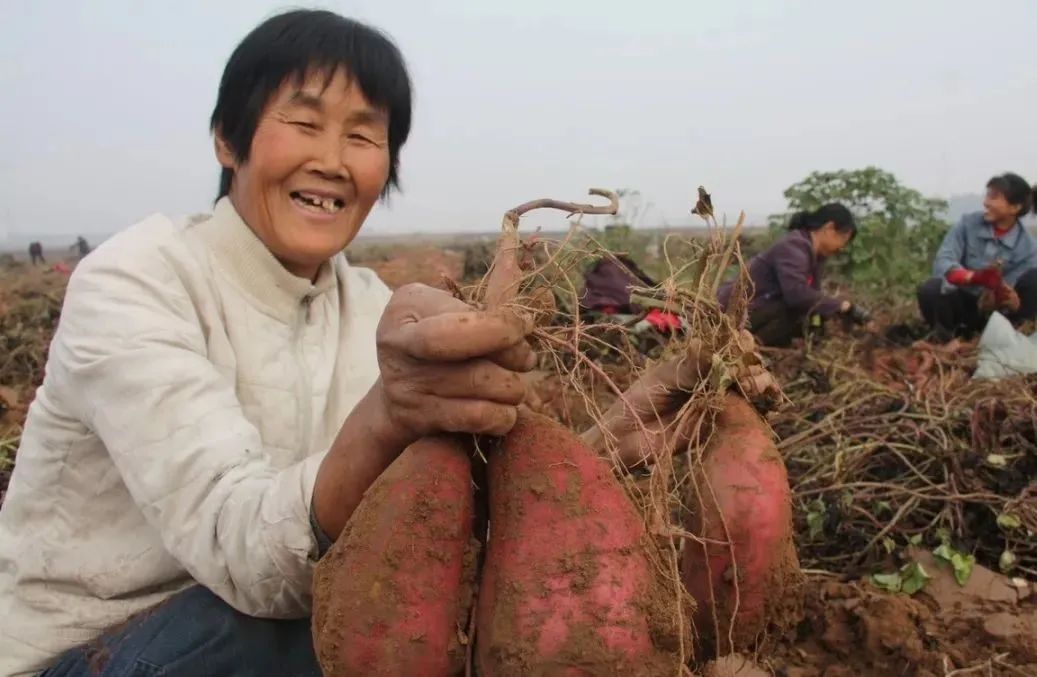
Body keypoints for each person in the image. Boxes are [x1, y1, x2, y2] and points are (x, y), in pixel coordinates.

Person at [0, 10, 770, 676]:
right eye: (302, 124)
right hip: (91, 650)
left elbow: (460, 527)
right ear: (226, 141)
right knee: (344, 622)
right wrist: (388, 414)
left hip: (277, 621)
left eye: (364, 136)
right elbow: (244, 550)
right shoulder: (133, 281)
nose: (332, 160)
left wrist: (606, 441)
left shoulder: (369, 307)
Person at [718, 203, 871, 347]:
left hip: (753, 310)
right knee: (795, 309)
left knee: (813, 318)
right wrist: (842, 306)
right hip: (729, 316)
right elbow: (797, 295)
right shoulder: (794, 246)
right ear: (829, 228)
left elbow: (813, 298)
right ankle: (749, 348)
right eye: (843, 239)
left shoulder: (813, 254)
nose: (842, 247)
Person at [917, 173, 1037, 339]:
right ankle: (945, 339)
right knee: (931, 288)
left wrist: (1011, 301)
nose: (986, 203)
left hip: (999, 318)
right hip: (962, 304)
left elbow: (1015, 289)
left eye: (994, 197)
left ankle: (1014, 340)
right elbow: (943, 261)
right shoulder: (967, 224)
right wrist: (973, 277)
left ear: (1014, 207)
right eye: (987, 195)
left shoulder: (1028, 247)